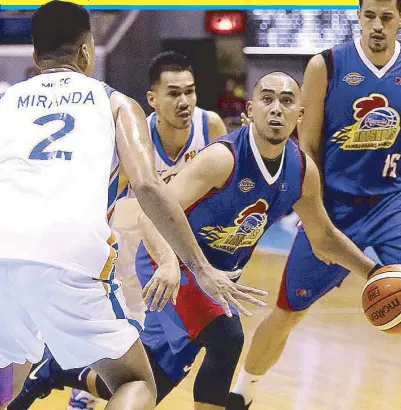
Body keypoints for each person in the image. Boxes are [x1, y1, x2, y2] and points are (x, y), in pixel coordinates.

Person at [9, 71, 381, 410]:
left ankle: (56, 371)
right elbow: (150, 214)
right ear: (250, 111)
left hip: (215, 279)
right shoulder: (222, 158)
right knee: (227, 336)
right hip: (173, 265)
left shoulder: (302, 170)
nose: (277, 109)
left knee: (151, 382)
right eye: (267, 99)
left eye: (286, 101)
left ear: (300, 113)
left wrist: (375, 272)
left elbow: (324, 237)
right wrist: (171, 264)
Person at [0, 2, 266, 409]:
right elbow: (147, 185)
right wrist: (200, 267)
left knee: (10, 370)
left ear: (35, 56)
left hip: (4, 249)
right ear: (87, 50)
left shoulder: (6, 103)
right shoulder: (117, 104)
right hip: (72, 253)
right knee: (136, 382)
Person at [228, 1, 401, 410]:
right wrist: (311, 212)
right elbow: (310, 147)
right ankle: (241, 394)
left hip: (395, 205)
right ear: (358, 15)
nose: (376, 25)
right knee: (288, 309)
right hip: (332, 208)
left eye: (386, 18)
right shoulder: (326, 66)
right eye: (369, 16)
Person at [66, 50, 228, 409]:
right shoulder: (133, 132)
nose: (184, 101)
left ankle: (90, 379)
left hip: (176, 241)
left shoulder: (211, 126)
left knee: (177, 338)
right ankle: (87, 384)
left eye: (190, 91)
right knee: (128, 327)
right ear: (152, 99)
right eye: (173, 93)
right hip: (128, 238)